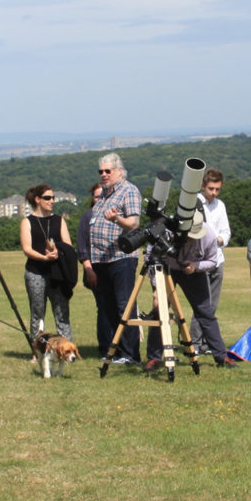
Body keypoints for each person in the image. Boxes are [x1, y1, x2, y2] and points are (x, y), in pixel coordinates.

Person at [143, 210, 234, 372]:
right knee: (159, 312)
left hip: (193, 272)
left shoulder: (209, 236)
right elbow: (150, 254)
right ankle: (154, 358)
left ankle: (221, 356)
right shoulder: (166, 230)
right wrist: (156, 286)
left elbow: (212, 261)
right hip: (165, 269)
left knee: (205, 312)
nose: (192, 238)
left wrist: (196, 266)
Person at [89, 153, 142, 364]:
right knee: (108, 306)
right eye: (100, 171)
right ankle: (115, 351)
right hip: (102, 259)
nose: (103, 175)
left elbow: (134, 224)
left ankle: (130, 354)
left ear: (119, 171)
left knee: (125, 305)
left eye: (107, 171)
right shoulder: (104, 193)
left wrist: (117, 219)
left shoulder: (128, 190)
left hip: (121, 257)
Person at [20, 184, 74, 348]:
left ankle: (67, 349)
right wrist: (44, 257)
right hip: (36, 272)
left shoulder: (59, 220)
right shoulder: (27, 222)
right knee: (37, 313)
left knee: (62, 312)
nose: (52, 201)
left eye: (53, 198)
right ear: (38, 200)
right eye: (47, 198)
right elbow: (27, 248)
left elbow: (68, 245)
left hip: (57, 273)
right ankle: (38, 351)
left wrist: (59, 251)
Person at [190, 168, 231, 353]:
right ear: (203, 186)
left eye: (217, 189)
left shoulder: (220, 205)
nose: (214, 193)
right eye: (211, 188)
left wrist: (217, 240)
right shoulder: (195, 203)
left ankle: (207, 343)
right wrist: (214, 240)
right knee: (202, 304)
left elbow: (226, 232)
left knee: (212, 305)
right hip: (200, 260)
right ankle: (194, 343)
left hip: (218, 259)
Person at [77, 182, 103, 338]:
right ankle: (105, 346)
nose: (100, 199)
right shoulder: (87, 216)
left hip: (114, 268)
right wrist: (89, 270)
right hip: (95, 269)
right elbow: (81, 246)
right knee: (103, 306)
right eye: (97, 196)